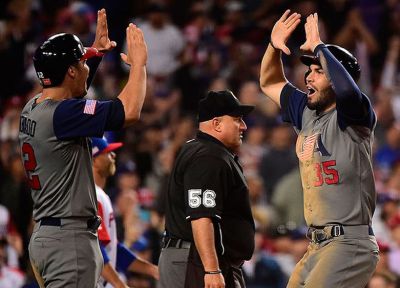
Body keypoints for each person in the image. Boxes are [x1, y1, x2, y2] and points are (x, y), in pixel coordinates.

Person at [18, 8, 148, 288]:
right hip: (69, 242)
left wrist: (96, 54)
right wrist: (138, 66)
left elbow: (71, 92)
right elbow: (130, 111)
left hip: (47, 236)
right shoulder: (64, 115)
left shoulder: (33, 107)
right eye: (83, 62)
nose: (87, 67)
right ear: (72, 71)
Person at [259, 10, 379, 288]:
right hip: (316, 246)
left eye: (319, 71)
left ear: (338, 78)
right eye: (308, 71)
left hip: (349, 243)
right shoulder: (307, 113)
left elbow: (348, 92)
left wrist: (320, 46)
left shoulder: (355, 115)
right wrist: (272, 47)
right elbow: (270, 82)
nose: (308, 77)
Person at [158, 90, 256, 288]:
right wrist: (211, 269)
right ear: (217, 123)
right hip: (197, 260)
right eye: (237, 119)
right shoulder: (208, 157)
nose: (244, 126)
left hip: (200, 258)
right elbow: (201, 216)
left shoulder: (204, 150)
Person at [91, 136, 159, 288]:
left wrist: (154, 270)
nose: (113, 155)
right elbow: (95, 249)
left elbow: (113, 248)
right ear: (94, 161)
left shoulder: (100, 195)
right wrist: (120, 285)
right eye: (107, 153)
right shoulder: (93, 195)